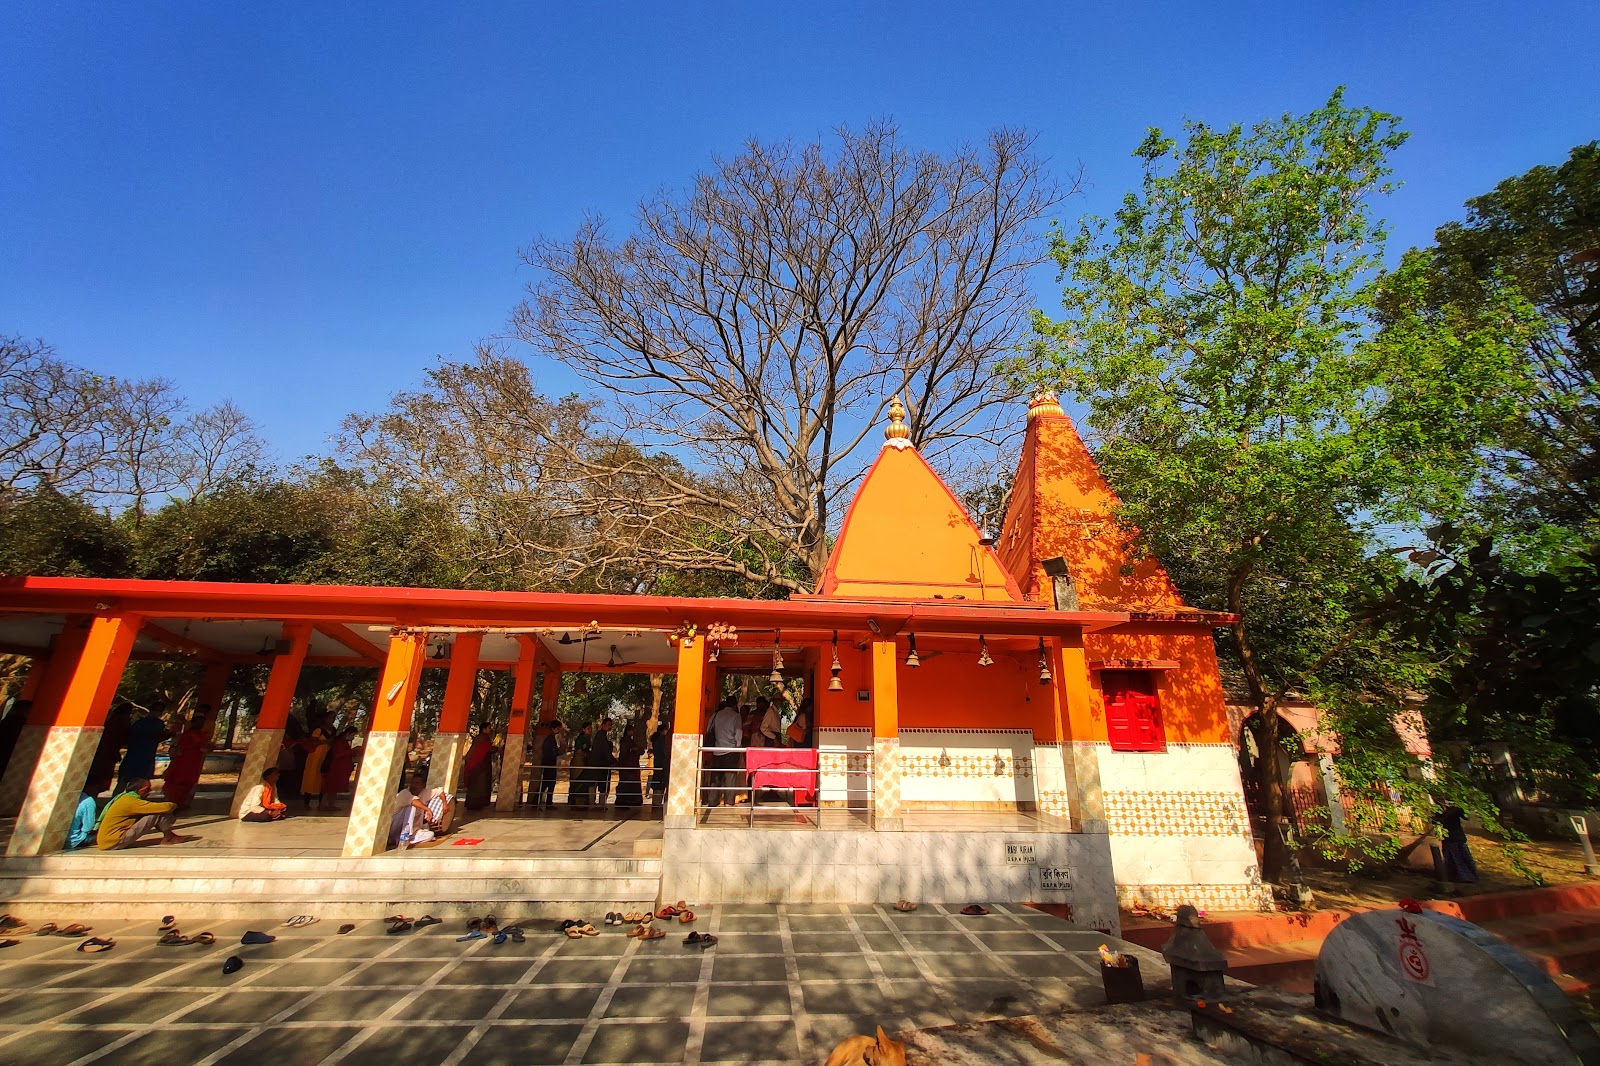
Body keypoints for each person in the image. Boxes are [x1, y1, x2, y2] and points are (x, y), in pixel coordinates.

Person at [97, 778, 198, 850]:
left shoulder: (124, 797)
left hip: (107, 842)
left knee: (153, 812)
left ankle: (169, 836)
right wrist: (175, 804)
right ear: (140, 790)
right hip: (114, 841)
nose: (149, 792)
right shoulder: (131, 802)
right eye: (147, 789)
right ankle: (169, 837)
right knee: (156, 814)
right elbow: (164, 807)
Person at [388, 771, 453, 848]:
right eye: (413, 783)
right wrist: (427, 809)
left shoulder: (424, 793)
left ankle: (401, 840)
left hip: (413, 830)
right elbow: (413, 801)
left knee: (430, 835)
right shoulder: (404, 793)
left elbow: (439, 791)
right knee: (411, 807)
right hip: (395, 826)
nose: (414, 786)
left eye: (417, 783)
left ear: (423, 785)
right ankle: (404, 837)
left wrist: (444, 803)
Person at [162, 714, 211, 809]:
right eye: (199, 722)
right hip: (182, 762)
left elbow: (207, 746)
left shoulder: (202, 735)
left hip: (194, 763)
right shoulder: (187, 735)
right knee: (177, 782)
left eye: (202, 723)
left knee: (188, 783)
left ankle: (180, 802)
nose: (200, 724)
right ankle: (172, 802)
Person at [116, 707, 168, 794]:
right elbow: (157, 737)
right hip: (146, 756)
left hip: (133, 754)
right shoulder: (158, 724)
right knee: (142, 781)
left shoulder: (139, 722)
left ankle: (114, 800)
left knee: (124, 780)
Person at [704, 698, 744, 807]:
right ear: (735, 705)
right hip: (731, 750)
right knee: (730, 777)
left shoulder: (716, 715)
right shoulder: (736, 716)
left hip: (717, 750)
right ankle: (728, 802)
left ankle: (712, 801)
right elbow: (738, 733)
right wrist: (738, 747)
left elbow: (708, 729)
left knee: (715, 777)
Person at [86, 703, 132, 797]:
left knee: (95, 777)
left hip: (102, 752)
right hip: (107, 754)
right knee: (99, 778)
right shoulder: (123, 721)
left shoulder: (110, 720)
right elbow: (123, 738)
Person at [1436, 803, 1478, 884]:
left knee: (1460, 858)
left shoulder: (1454, 811)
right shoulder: (1441, 812)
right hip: (1452, 839)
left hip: (1455, 839)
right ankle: (1458, 876)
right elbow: (1436, 820)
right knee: (1455, 859)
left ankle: (1466, 877)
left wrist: (1447, 813)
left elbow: (1465, 816)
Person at [301, 716, 331, 809]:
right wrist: (326, 741)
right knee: (311, 777)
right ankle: (306, 803)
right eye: (331, 718)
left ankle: (321, 803)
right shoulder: (318, 730)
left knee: (323, 779)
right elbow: (313, 743)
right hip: (315, 755)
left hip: (326, 756)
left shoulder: (333, 730)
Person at [323, 727, 357, 810]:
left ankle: (331, 804)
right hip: (336, 768)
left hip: (341, 768)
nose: (353, 737)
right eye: (353, 735)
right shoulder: (340, 742)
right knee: (331, 787)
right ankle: (324, 804)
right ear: (348, 733)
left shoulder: (344, 742)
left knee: (334, 788)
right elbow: (337, 755)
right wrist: (352, 751)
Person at [463, 727, 496, 810]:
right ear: (484, 729)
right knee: (479, 785)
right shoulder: (483, 738)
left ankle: (474, 803)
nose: (490, 730)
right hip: (479, 765)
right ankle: (476, 804)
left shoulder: (483, 738)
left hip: (480, 764)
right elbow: (485, 749)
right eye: (488, 728)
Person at [534, 722, 563, 808]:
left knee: (549, 783)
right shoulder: (549, 740)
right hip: (549, 764)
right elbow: (549, 753)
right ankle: (537, 801)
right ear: (553, 729)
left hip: (551, 763)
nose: (559, 730)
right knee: (547, 783)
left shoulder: (552, 739)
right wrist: (558, 752)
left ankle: (546, 802)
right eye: (558, 728)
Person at [615, 725, 643, 808]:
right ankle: (624, 800)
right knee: (626, 783)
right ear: (628, 731)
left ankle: (631, 800)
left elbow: (640, 750)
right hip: (628, 766)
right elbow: (624, 753)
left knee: (631, 783)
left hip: (632, 767)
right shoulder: (625, 741)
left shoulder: (631, 741)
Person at [590, 726, 615, 806]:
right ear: (603, 725)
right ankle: (599, 804)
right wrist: (613, 761)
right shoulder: (601, 736)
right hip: (600, 765)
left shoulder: (601, 737)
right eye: (608, 724)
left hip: (600, 765)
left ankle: (597, 804)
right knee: (601, 786)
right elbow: (605, 751)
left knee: (599, 785)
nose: (609, 727)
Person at [568, 723, 592, 806]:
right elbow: (579, 751)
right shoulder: (580, 739)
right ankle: (573, 802)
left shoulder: (588, 739)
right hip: (578, 763)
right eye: (588, 728)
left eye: (590, 728)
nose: (590, 730)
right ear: (583, 729)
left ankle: (582, 802)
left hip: (585, 763)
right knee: (576, 782)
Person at [649, 722, 670, 803]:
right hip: (662, 764)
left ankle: (656, 803)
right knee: (661, 784)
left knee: (658, 784)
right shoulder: (662, 740)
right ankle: (659, 803)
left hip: (658, 764)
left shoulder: (656, 740)